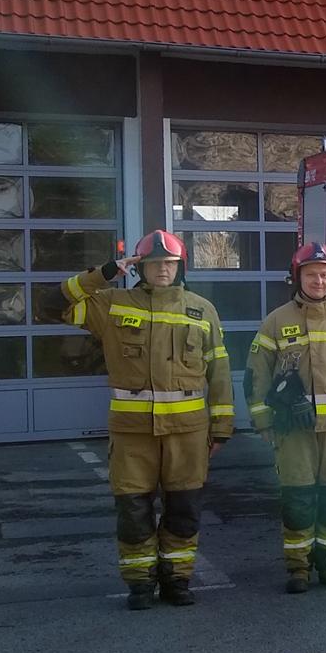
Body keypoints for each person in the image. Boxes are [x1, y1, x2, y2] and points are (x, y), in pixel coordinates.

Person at [61, 230, 234, 610]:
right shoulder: (112, 304)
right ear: (140, 267)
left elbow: (219, 371)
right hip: (132, 434)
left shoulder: (202, 309)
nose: (162, 269)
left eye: (169, 263)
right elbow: (57, 303)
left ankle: (177, 581)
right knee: (133, 510)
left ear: (180, 266)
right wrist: (106, 272)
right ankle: (140, 584)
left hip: (188, 434)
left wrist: (222, 426)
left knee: (184, 509)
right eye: (154, 263)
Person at [245, 242, 326, 593]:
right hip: (293, 431)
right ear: (297, 277)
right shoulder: (277, 321)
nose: (318, 281)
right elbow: (257, 374)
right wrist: (263, 420)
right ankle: (298, 569)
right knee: (298, 499)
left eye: (324, 274)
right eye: (311, 275)